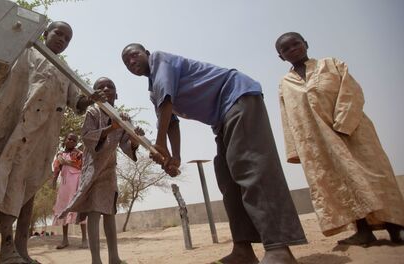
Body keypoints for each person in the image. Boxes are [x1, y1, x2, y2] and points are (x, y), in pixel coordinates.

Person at [121, 43, 307, 264]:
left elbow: (167, 102)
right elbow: (170, 122)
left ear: (147, 53)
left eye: (134, 55)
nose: (131, 62)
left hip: (238, 97)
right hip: (221, 120)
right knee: (228, 179)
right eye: (126, 62)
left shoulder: (160, 60)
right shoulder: (154, 92)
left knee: (251, 169)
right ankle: (243, 250)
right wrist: (174, 157)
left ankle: (279, 249)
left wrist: (160, 143)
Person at [0, 21, 104, 264]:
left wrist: (88, 100)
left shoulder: (64, 68)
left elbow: (75, 104)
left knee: (30, 190)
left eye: (67, 38)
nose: (62, 39)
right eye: (58, 33)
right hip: (22, 132)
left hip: (46, 138)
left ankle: (21, 250)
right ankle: (6, 253)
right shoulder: (26, 52)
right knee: (13, 185)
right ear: (45, 33)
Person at [275, 32, 404, 246]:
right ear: (281, 57)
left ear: (306, 44)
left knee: (375, 176)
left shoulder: (332, 64)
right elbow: (287, 116)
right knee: (341, 184)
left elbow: (351, 92)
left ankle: (396, 227)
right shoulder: (285, 83)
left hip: (354, 133)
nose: (292, 49)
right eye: (285, 49)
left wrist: (343, 124)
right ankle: (362, 231)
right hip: (319, 144)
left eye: (296, 44)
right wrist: (295, 150)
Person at [60, 77, 144, 264]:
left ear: (117, 93)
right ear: (95, 93)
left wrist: (135, 139)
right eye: (100, 87)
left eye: (110, 86)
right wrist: (110, 128)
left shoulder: (123, 118)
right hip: (93, 168)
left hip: (109, 168)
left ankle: (114, 258)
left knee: (109, 212)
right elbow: (88, 138)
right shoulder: (92, 111)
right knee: (94, 212)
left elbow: (126, 144)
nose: (106, 89)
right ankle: (96, 260)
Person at [51, 133, 88, 249]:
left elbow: (83, 167)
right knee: (64, 209)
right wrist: (54, 180)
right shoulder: (60, 155)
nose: (71, 141)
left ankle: (84, 240)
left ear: (76, 143)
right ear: (65, 140)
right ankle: (65, 240)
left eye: (74, 140)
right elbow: (57, 168)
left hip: (77, 183)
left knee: (80, 208)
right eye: (69, 139)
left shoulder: (79, 154)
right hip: (65, 185)